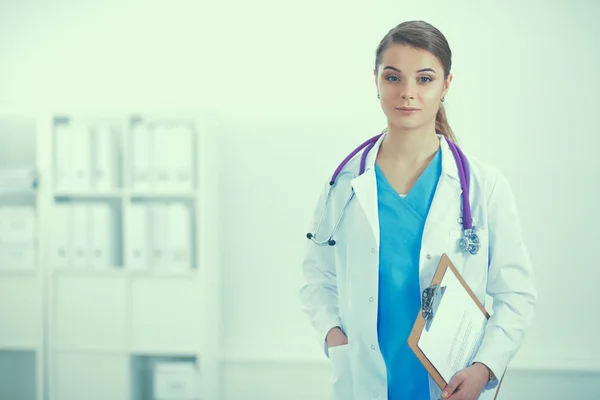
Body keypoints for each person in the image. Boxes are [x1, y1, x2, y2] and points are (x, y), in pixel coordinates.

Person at [299, 20, 537, 400]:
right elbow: (316, 275)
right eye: (393, 78)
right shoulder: (344, 184)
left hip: (449, 385)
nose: (407, 93)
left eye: (424, 79)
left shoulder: (483, 186)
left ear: (446, 85)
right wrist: (333, 335)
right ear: (375, 80)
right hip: (364, 381)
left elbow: (517, 295)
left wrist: (483, 368)